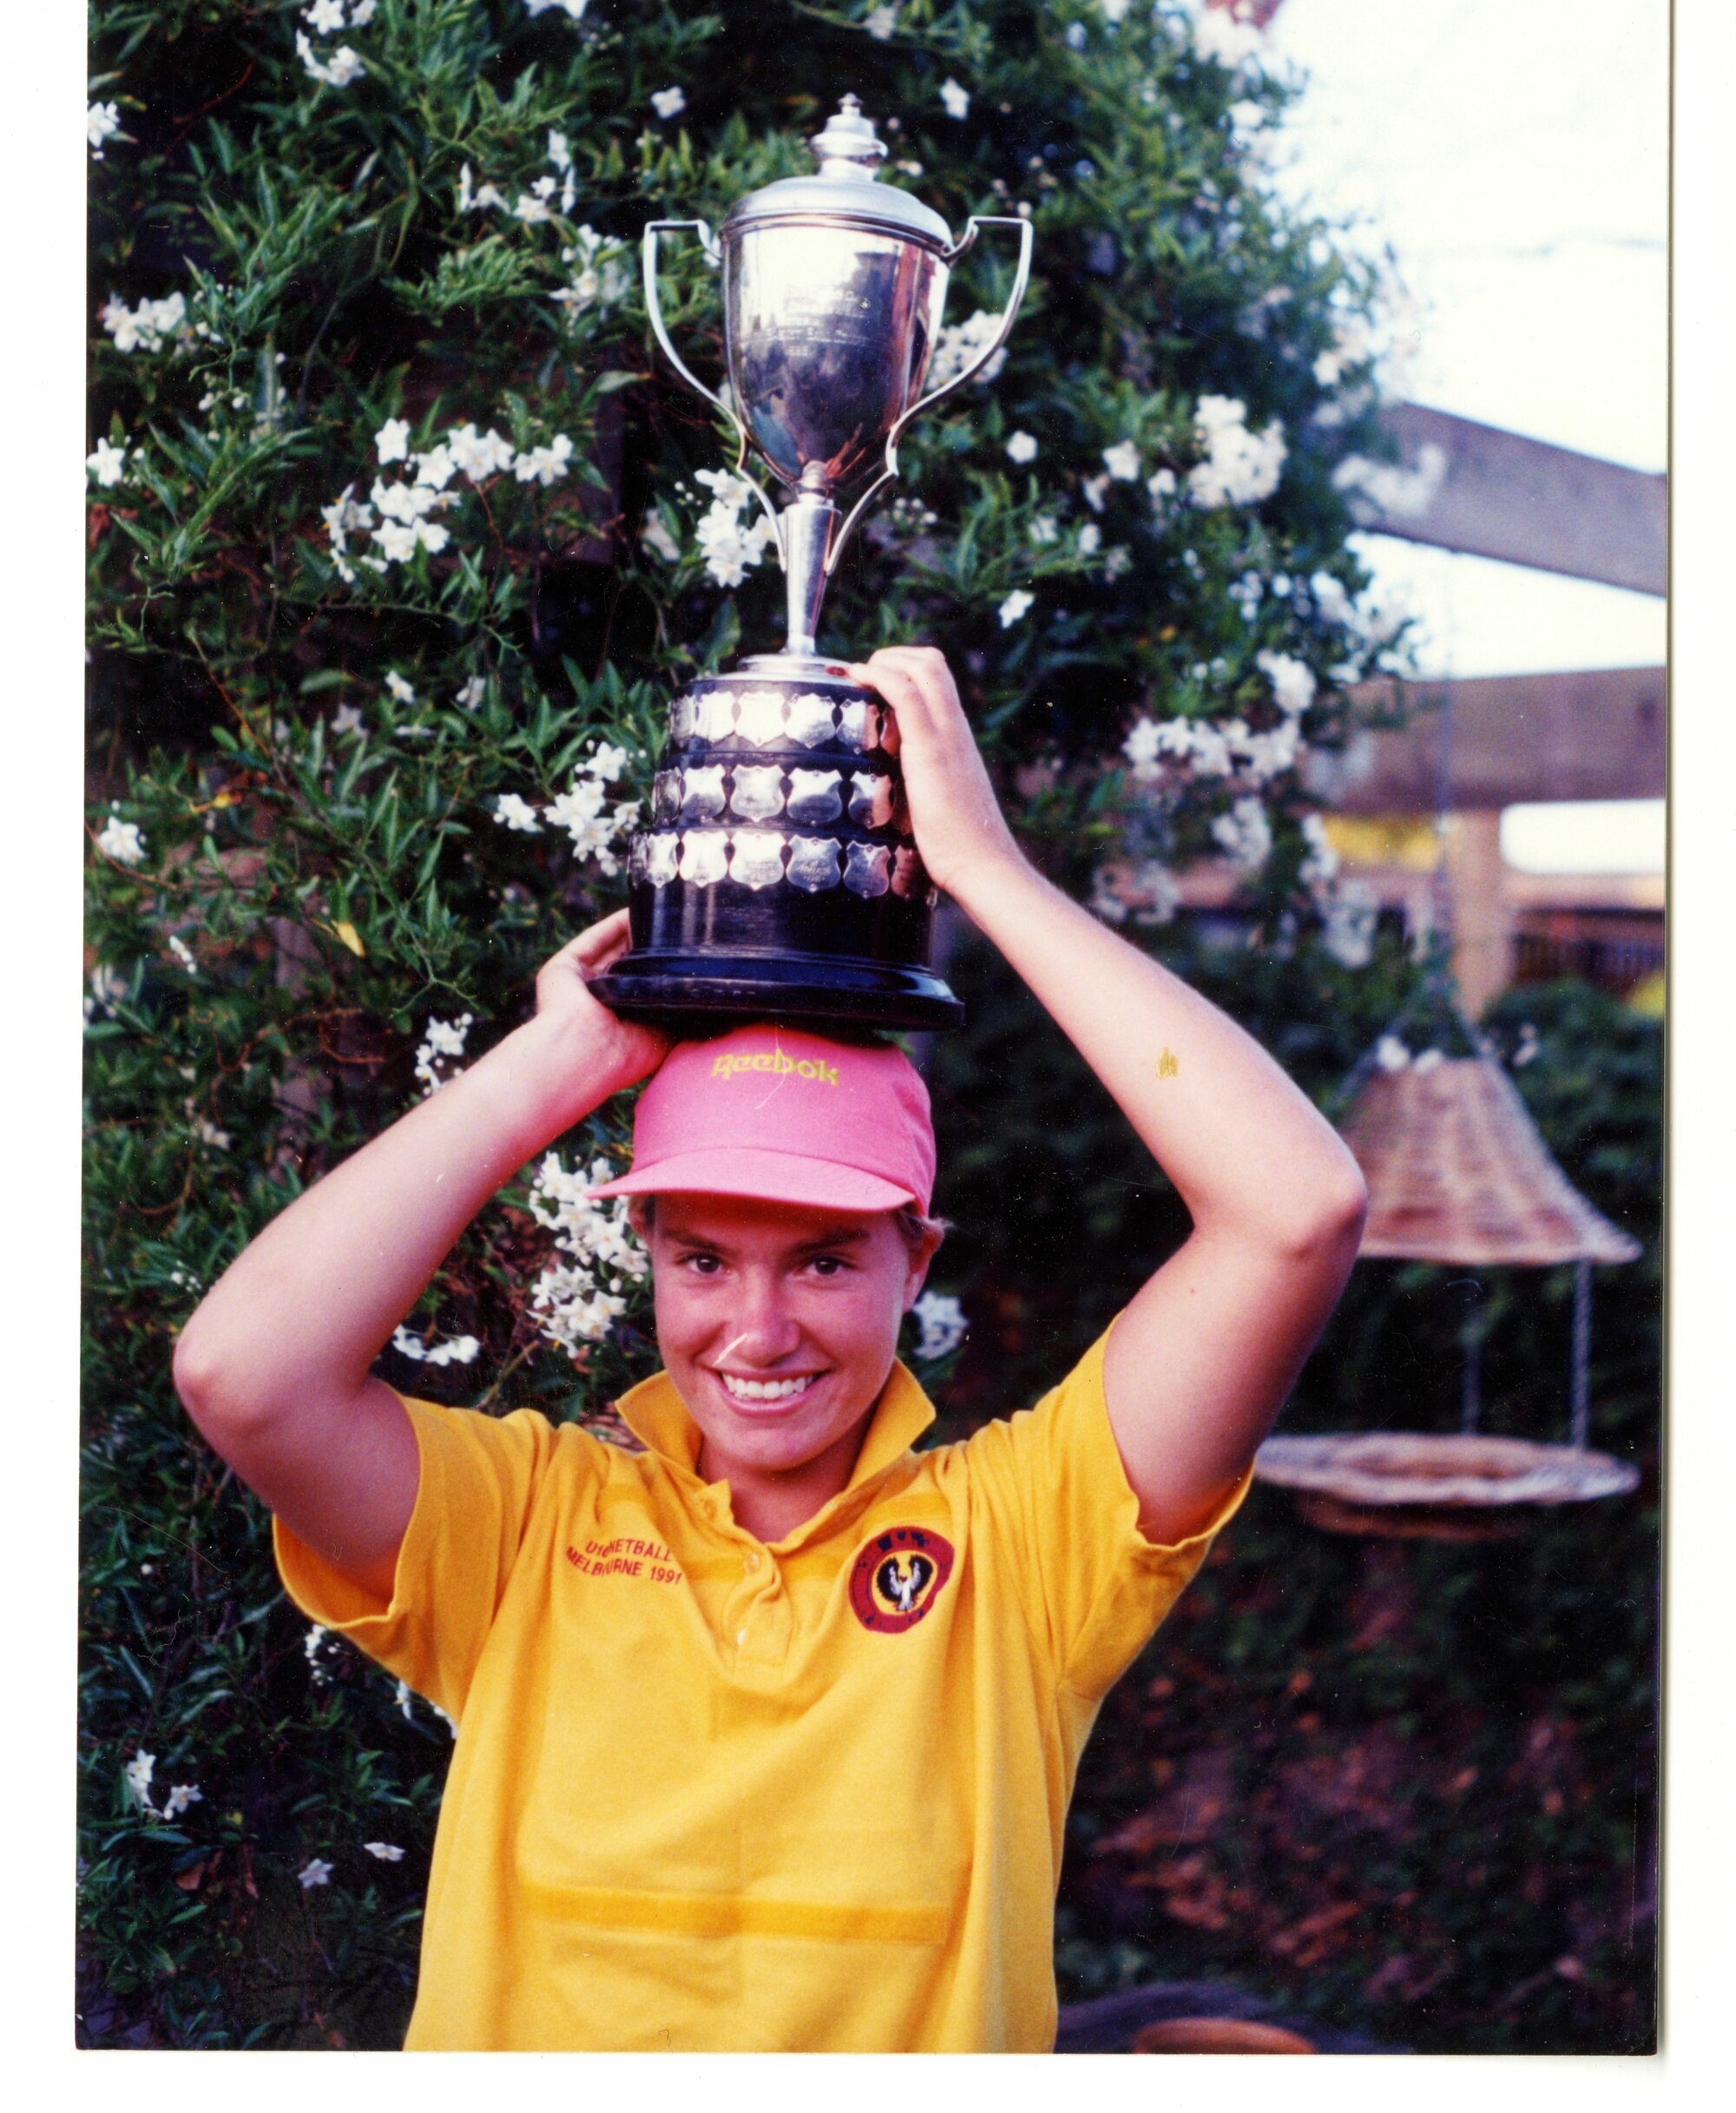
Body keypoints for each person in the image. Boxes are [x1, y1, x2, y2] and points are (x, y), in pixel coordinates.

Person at [174, 646, 1367, 2053]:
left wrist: (988, 871)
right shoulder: (523, 1528)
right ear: (650, 1257)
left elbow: (1296, 1212)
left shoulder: (1024, 1542)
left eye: (822, 1257)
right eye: (701, 1257)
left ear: (914, 1258)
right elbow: (241, 1372)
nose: (757, 1328)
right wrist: (549, 1069)